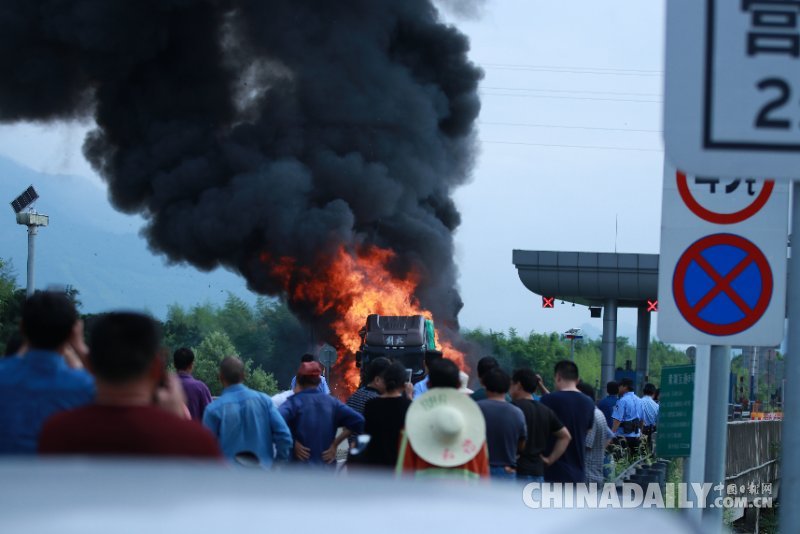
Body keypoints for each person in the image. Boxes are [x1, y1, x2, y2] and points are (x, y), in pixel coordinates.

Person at [39, 312, 221, 458]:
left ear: (91, 365)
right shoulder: (195, 441)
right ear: (157, 368)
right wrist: (178, 424)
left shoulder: (57, 432)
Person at [0, 291, 95, 454]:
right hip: (59, 477)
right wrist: (79, 347)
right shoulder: (86, 386)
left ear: (22, 328)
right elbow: (114, 387)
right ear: (73, 333)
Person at [397, 358, 490, 480]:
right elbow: (484, 479)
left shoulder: (411, 428)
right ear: (458, 385)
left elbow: (403, 478)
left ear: (428, 385)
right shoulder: (476, 428)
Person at [203, 356, 292, 467]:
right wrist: (277, 464)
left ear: (220, 377)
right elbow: (284, 436)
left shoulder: (213, 410)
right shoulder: (264, 401)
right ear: (244, 375)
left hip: (228, 479)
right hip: (262, 476)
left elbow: (205, 450)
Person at [279, 362, 364, 466]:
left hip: (298, 469)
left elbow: (275, 421)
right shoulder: (332, 403)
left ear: (299, 380)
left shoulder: (294, 402)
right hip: (325, 470)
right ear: (319, 381)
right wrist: (335, 444)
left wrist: (293, 441)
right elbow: (359, 421)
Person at [510, 368, 570, 484]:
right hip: (538, 473)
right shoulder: (546, 411)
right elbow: (565, 436)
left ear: (518, 385)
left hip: (517, 472)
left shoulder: (512, 408)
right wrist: (549, 459)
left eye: (511, 385)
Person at [540, 360, 595, 483]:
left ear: (558, 377)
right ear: (577, 379)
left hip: (554, 471)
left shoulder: (548, 400)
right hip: (578, 472)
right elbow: (588, 431)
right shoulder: (588, 402)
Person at [358, 362, 413, 468]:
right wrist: (409, 395)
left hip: (374, 464)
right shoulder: (407, 405)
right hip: (398, 463)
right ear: (404, 384)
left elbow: (366, 432)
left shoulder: (371, 405)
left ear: (384, 381)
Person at [477, 368, 527, 480]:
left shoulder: (475, 408)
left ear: (485, 386)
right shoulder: (517, 413)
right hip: (506, 471)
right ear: (508, 387)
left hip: (480, 469)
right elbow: (522, 443)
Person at [577, 382, 613, 485]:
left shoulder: (590, 415)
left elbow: (586, 444)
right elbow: (610, 435)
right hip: (594, 474)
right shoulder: (597, 412)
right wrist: (600, 449)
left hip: (588, 476)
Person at [173, 347, 213, 421]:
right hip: (195, 431)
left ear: (174, 365)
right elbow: (210, 416)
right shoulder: (200, 387)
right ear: (191, 365)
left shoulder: (165, 386)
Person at [611, 377, 643, 460]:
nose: (618, 388)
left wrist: (611, 434)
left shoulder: (622, 401)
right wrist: (640, 432)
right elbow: (642, 419)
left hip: (623, 436)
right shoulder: (639, 400)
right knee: (633, 462)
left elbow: (617, 420)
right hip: (636, 435)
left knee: (620, 462)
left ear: (625, 387)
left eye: (619, 386)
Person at [640, 382, 660, 454]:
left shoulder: (638, 402)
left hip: (638, 433)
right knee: (648, 454)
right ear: (654, 393)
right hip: (650, 433)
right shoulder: (656, 406)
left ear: (643, 391)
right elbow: (658, 422)